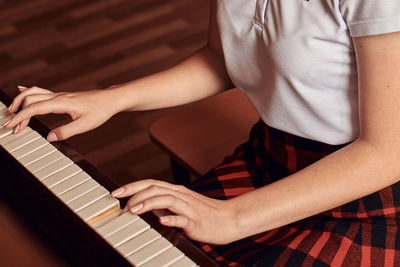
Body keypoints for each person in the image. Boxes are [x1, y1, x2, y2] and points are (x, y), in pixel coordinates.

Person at [3, 0, 400, 266]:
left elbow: (387, 153)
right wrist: (110, 99)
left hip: (367, 199)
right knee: (130, 245)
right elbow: (220, 59)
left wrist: (232, 217)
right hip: (270, 161)